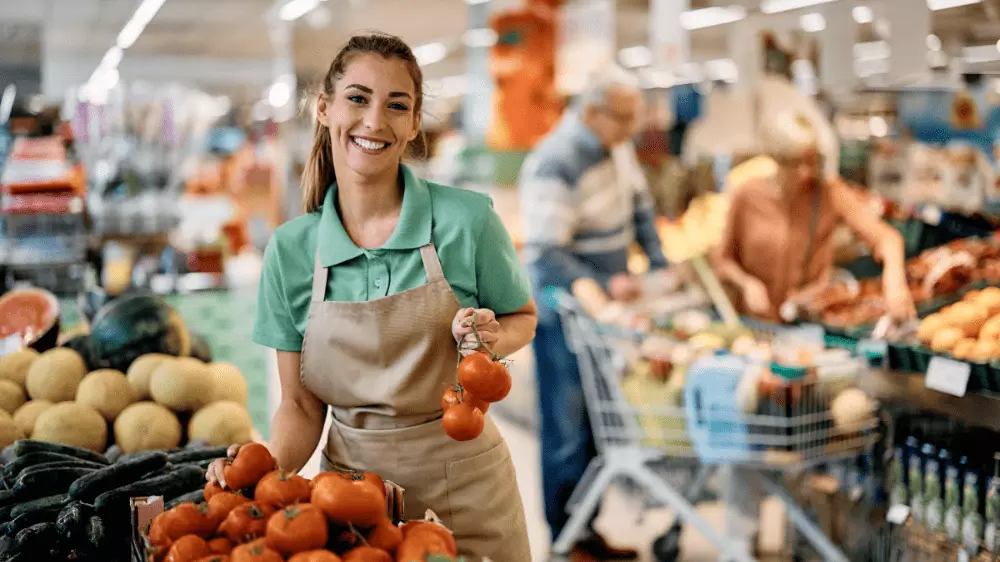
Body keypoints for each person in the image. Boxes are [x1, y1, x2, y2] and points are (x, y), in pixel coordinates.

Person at [207, 33, 536, 561]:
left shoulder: (467, 221)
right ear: (325, 108)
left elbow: (522, 315)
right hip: (351, 502)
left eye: (396, 105)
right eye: (358, 98)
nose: (375, 120)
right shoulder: (292, 251)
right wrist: (266, 471)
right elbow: (298, 404)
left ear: (413, 124)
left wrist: (491, 339)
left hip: (470, 492)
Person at [517, 65, 668, 559]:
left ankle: (587, 530)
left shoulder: (616, 149)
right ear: (591, 112)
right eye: (622, 119)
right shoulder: (554, 162)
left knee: (599, 431)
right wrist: (607, 283)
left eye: (634, 118)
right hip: (565, 314)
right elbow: (546, 253)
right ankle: (565, 537)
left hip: (603, 314)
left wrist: (659, 266)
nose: (631, 130)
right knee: (566, 429)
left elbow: (640, 210)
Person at [713, 111, 915, 323]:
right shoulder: (746, 195)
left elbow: (887, 238)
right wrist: (747, 284)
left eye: (812, 161)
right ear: (775, 158)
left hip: (810, 324)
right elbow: (723, 262)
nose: (806, 172)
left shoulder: (829, 192)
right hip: (756, 326)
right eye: (796, 163)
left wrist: (895, 282)